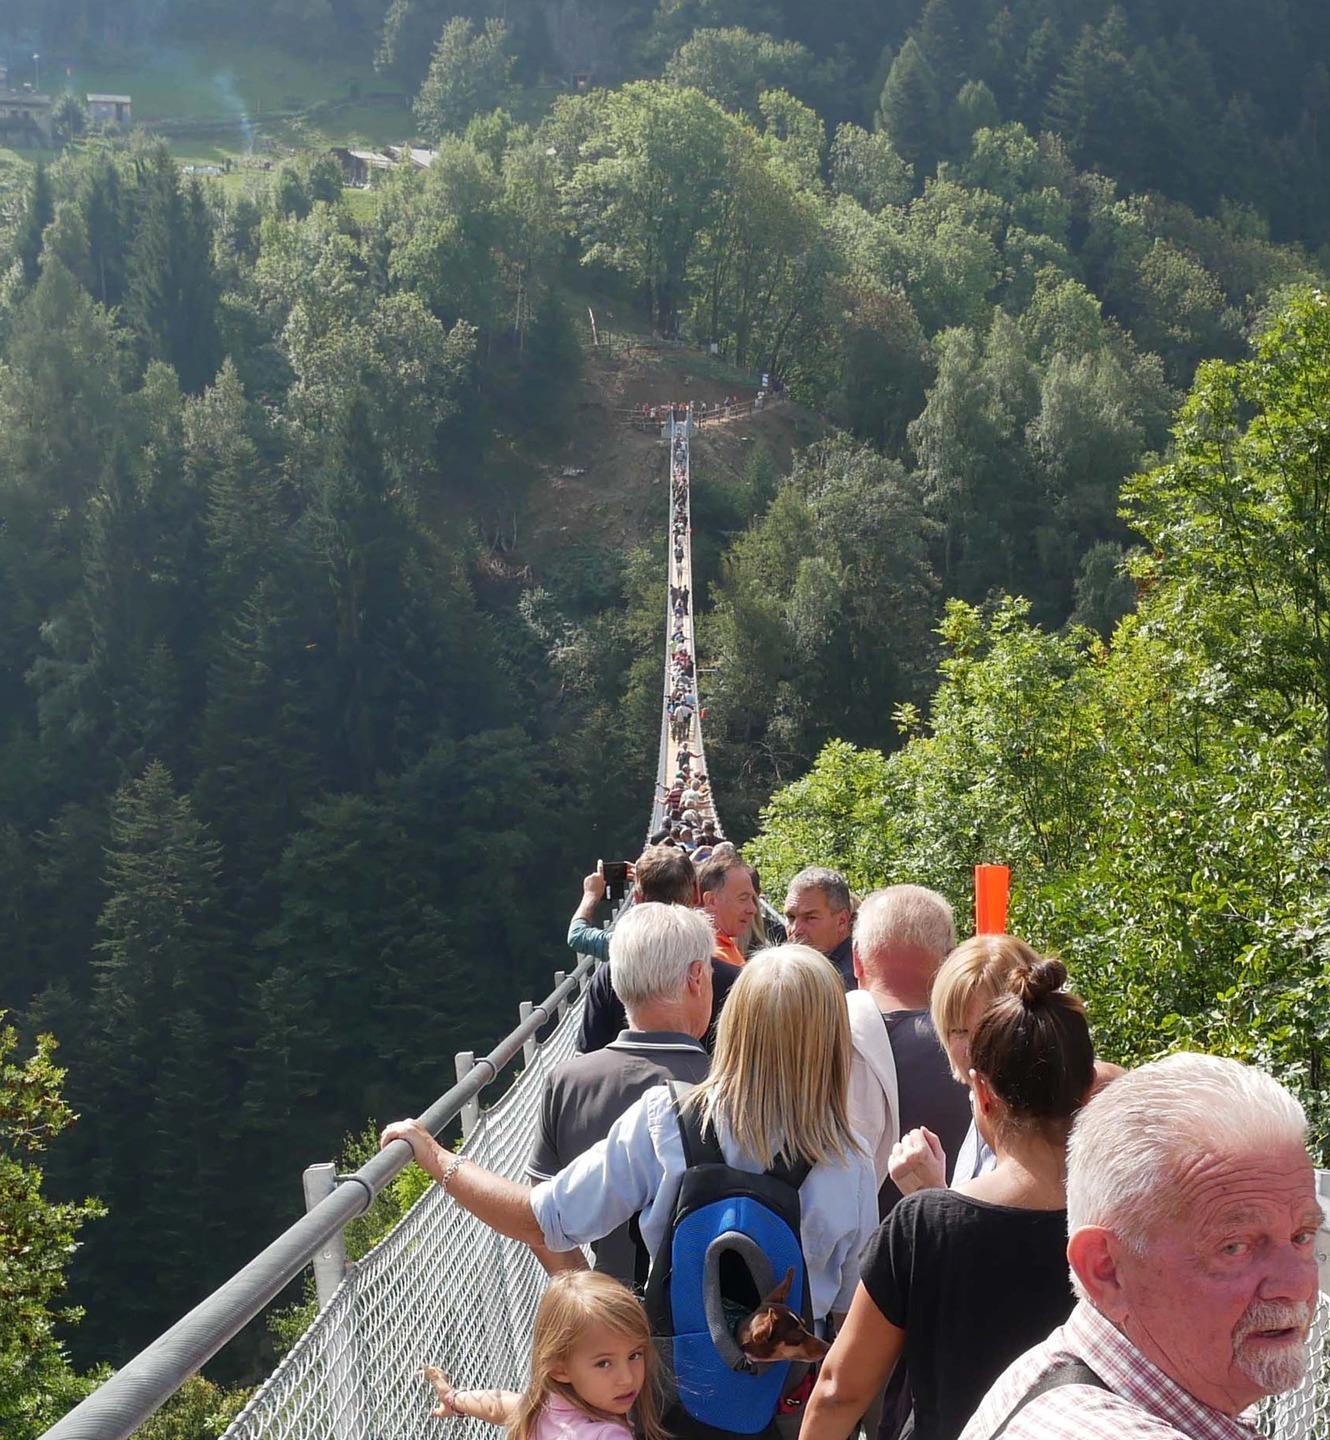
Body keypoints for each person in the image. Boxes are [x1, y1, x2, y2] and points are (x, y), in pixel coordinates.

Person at [382, 948, 879, 1429]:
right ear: (832, 1042)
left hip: (668, 1402)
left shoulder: (667, 1122)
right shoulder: (850, 1159)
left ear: (734, 1027)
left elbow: (540, 1219)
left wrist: (437, 1158)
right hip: (782, 1408)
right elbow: (850, 1317)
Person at [800, 955, 1096, 1440]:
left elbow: (839, 1391)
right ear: (1086, 1091)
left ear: (981, 1092)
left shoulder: (923, 1225)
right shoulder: (1126, 1223)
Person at [958, 1053, 1323, 1440]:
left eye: (1302, 1237)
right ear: (1106, 1270)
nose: (1297, 1285)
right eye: (1235, 1248)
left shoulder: (1068, 1372)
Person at [530, 905, 714, 1285]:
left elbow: (538, 1217)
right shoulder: (722, 1086)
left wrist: (603, 1306)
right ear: (697, 977)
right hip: (705, 1317)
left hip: (604, 1318)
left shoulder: (565, 1082)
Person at [426, 1269, 665, 1440]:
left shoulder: (544, 1407)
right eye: (604, 1363)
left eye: (634, 1355)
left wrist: (454, 1399)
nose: (627, 1378)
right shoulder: (606, 1435)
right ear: (560, 1369)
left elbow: (497, 1406)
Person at [845, 886, 969, 1213]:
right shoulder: (981, 1055)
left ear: (856, 959)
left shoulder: (810, 1041)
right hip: (946, 1247)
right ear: (948, 962)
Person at [783, 868, 855, 988]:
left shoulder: (854, 980)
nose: (796, 929)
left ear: (842, 921)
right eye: (791, 917)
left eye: (810, 918)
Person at [698, 849, 757, 969]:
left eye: (752, 899)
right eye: (743, 898)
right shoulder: (714, 958)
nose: (753, 909)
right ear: (711, 901)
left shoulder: (724, 945)